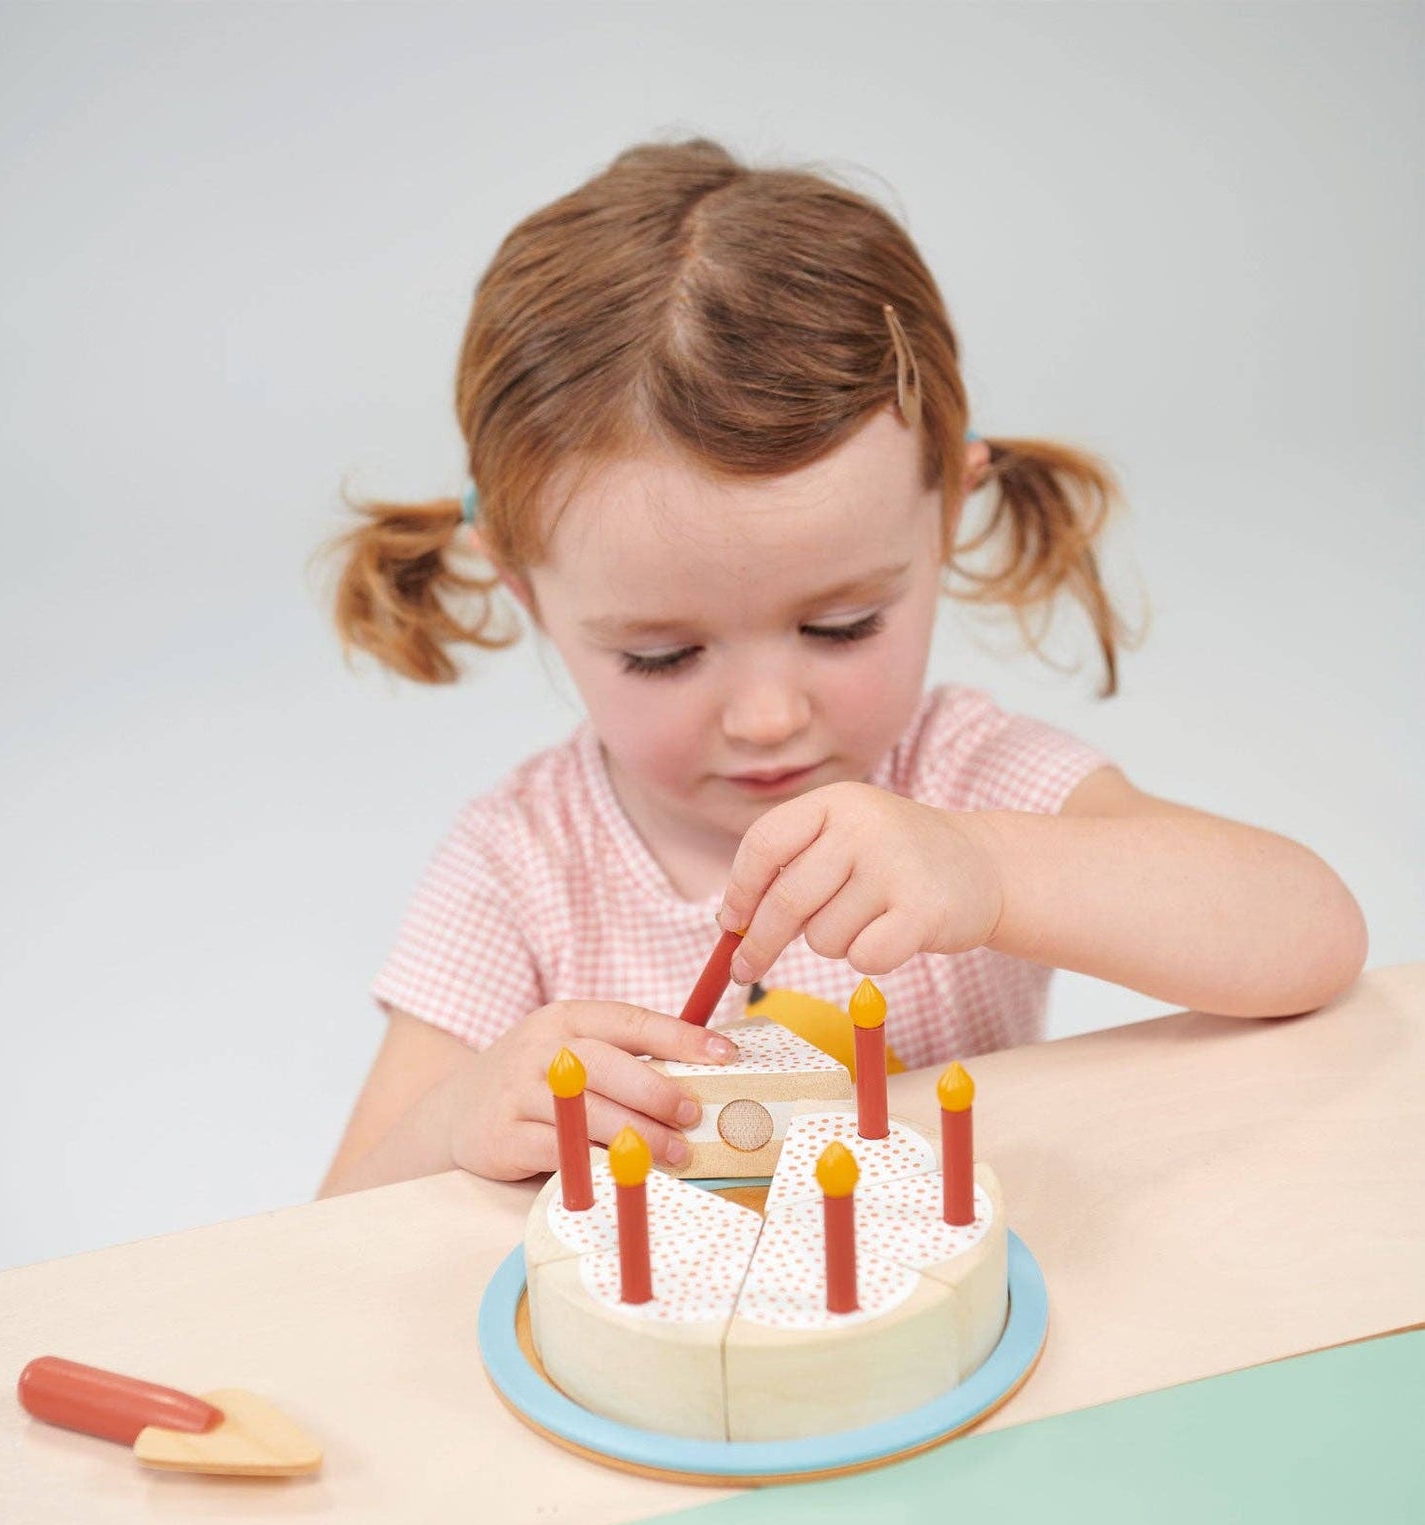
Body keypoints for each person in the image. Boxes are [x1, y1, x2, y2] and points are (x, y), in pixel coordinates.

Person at [316, 138, 1366, 1199]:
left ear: (945, 515)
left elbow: (1310, 935)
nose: (769, 717)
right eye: (662, 654)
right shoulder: (523, 861)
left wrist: (991, 871)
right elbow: (327, 1231)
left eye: (842, 625)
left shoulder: (960, 780)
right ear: (523, 583)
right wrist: (460, 1118)